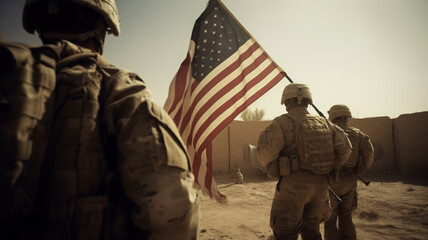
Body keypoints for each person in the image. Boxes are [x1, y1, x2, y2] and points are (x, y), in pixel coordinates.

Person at [0, 0, 200, 239]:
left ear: (39, 25)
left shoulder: (7, 79)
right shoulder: (122, 93)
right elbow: (174, 216)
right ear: (100, 29)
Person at [255, 83, 352, 240]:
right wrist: (330, 166)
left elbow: (265, 154)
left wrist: (271, 166)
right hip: (321, 188)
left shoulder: (281, 123)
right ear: (308, 101)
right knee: (312, 232)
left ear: (286, 102)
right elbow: (346, 150)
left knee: (285, 234)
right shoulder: (326, 124)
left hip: (292, 188)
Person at [324, 104, 374, 240]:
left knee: (330, 219)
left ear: (332, 116)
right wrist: (358, 170)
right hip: (350, 181)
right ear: (347, 116)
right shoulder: (358, 134)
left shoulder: (328, 133)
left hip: (332, 180)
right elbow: (369, 156)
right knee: (346, 215)